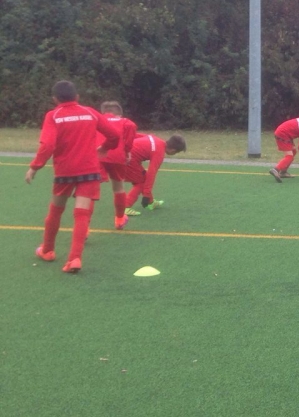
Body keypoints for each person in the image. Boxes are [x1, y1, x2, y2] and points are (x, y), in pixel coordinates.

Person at [25, 80, 120, 273]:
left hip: (65, 171)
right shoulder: (90, 112)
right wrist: (105, 147)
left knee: (55, 211)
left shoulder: (53, 115)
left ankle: (47, 250)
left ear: (55, 99)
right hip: (89, 171)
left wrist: (35, 167)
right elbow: (114, 135)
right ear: (77, 97)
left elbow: (47, 145)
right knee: (82, 214)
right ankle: (74, 259)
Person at [97, 101, 137, 230]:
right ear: (119, 114)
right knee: (118, 188)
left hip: (97, 155)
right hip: (117, 155)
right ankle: (119, 220)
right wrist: (127, 151)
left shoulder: (97, 119)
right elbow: (131, 127)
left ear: (103, 112)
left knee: (89, 190)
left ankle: (84, 228)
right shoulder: (125, 122)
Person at [123, 133, 186, 209]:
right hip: (128, 158)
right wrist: (146, 194)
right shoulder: (159, 153)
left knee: (142, 178)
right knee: (141, 182)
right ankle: (125, 207)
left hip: (123, 153)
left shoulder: (156, 139)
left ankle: (151, 203)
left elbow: (134, 135)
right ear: (173, 150)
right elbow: (151, 173)